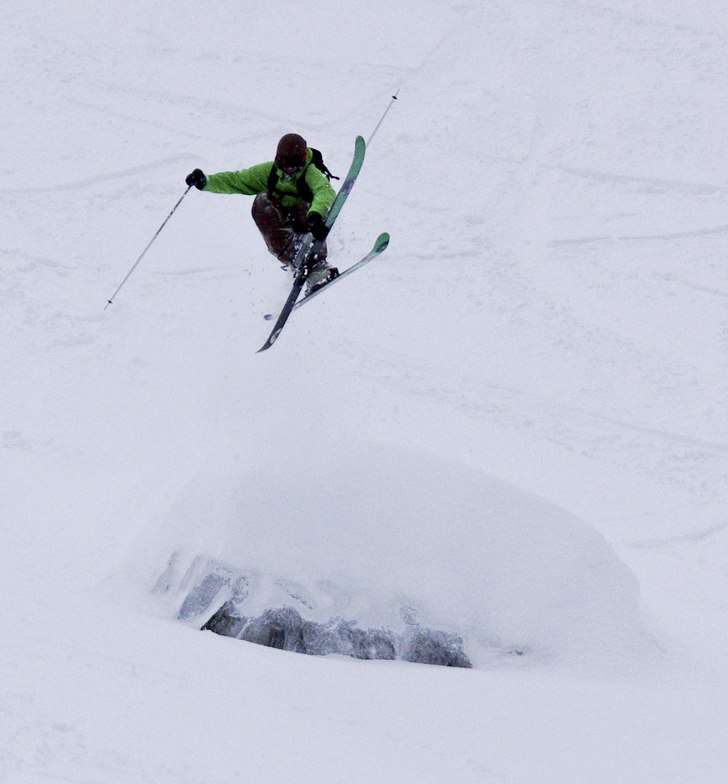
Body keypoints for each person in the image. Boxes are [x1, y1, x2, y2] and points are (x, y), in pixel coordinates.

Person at [185, 133, 339, 293]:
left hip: (306, 220)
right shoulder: (269, 172)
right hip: (282, 224)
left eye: (296, 166)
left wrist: (316, 214)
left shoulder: (311, 173)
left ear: (303, 161)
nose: (290, 171)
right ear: (278, 160)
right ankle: (295, 255)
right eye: (286, 166)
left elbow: (324, 191)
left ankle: (318, 267)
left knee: (303, 211)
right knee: (261, 200)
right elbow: (237, 180)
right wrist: (206, 182)